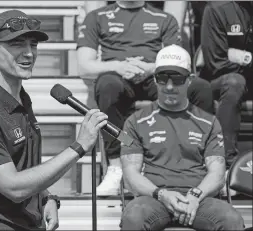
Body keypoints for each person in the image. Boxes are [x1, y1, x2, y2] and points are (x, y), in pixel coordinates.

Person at [0, 10, 108, 231]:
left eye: (33, 45)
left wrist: (46, 197)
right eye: (17, 44)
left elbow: (23, 166)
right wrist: (79, 146)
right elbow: (13, 187)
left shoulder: (21, 99)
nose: (28, 54)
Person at [76, 0, 214, 196]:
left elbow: (178, 60)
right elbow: (84, 66)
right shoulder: (97, 17)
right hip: (118, 77)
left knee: (200, 88)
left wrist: (152, 68)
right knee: (107, 85)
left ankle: (201, 162)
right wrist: (118, 66)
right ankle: (116, 167)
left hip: (155, 75)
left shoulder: (164, 18)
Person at [120, 44, 245, 230]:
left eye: (177, 79)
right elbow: (130, 175)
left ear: (190, 80)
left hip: (198, 198)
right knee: (133, 217)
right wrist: (162, 194)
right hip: (154, 198)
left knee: (231, 219)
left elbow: (217, 174)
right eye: (162, 78)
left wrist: (195, 196)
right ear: (154, 79)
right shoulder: (133, 121)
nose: (169, 86)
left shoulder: (209, 122)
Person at [200, 1, 253, 169]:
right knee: (235, 82)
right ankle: (225, 163)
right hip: (220, 80)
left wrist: (240, 56)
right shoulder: (217, 8)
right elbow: (216, 62)